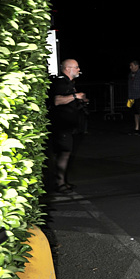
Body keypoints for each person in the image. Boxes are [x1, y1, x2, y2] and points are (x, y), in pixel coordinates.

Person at [48, 59, 88, 192]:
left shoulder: (69, 83)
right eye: (76, 67)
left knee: (65, 153)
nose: (78, 69)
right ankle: (59, 183)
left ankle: (62, 181)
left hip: (67, 125)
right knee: (63, 153)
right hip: (62, 125)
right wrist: (75, 96)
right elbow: (57, 100)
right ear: (67, 69)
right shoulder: (61, 83)